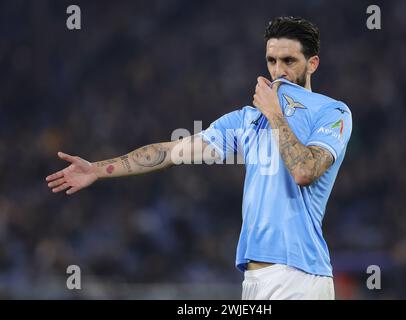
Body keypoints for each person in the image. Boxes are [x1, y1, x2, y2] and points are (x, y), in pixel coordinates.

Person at [46, 16, 352, 300]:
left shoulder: (331, 112)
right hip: (255, 278)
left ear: (312, 64)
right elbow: (170, 152)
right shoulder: (246, 120)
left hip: (300, 276)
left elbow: (304, 170)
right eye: (272, 61)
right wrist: (98, 169)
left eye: (289, 61)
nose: (278, 71)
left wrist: (274, 113)